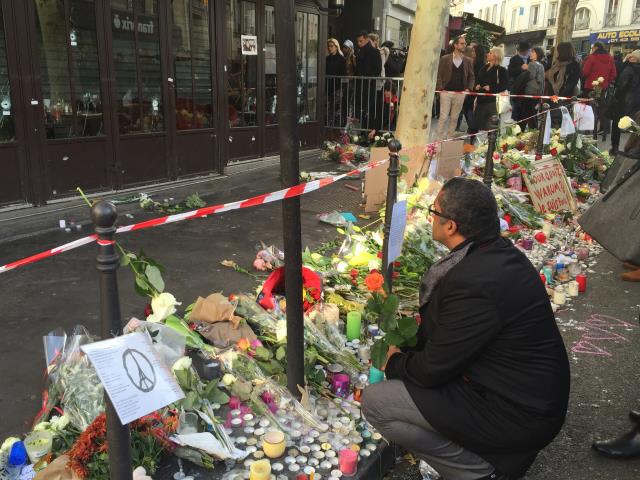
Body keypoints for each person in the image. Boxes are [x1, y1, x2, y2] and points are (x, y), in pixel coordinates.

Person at [362, 177, 570, 480]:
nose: (430, 218)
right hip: (523, 394)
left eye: (434, 212)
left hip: (520, 413)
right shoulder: (495, 253)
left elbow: (432, 369)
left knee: (377, 402)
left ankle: (478, 471)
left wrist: (394, 360)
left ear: (450, 226)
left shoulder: (475, 283)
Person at [436, 36, 475, 140]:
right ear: (455, 45)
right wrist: (440, 88)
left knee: (454, 118)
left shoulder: (468, 60)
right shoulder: (445, 58)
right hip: (446, 92)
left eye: (465, 44)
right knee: (443, 117)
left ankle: (449, 138)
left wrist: (468, 89)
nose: (464, 45)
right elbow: (439, 74)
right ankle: (438, 140)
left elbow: (472, 76)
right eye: (462, 43)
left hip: (460, 93)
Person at [610, 50, 640, 154]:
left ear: (633, 58)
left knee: (616, 124)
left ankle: (615, 147)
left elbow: (621, 86)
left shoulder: (628, 69)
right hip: (636, 102)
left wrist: (616, 96)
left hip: (624, 101)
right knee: (636, 127)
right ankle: (634, 148)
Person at [545, 42, 581, 126]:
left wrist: (561, 96)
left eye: (558, 50)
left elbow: (573, 82)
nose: (557, 52)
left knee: (563, 121)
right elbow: (550, 78)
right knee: (552, 121)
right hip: (552, 97)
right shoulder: (556, 63)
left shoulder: (574, 64)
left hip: (565, 98)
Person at [473, 47, 508, 131]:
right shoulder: (483, 68)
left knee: (491, 126)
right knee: (477, 125)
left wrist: (491, 88)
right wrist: (476, 86)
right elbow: (477, 81)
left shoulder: (501, 70)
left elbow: (504, 86)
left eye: (490, 53)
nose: (487, 54)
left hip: (493, 102)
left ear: (496, 56)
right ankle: (476, 142)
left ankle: (490, 143)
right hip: (480, 101)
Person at [354, 30, 382, 129]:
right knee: (359, 108)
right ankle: (359, 131)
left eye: (361, 41)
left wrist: (369, 76)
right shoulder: (359, 51)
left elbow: (378, 69)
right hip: (360, 85)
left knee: (368, 109)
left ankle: (367, 131)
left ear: (366, 40)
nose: (359, 43)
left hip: (369, 85)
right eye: (358, 41)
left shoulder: (375, 52)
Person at [521, 47, 546, 129]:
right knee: (533, 115)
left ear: (537, 54)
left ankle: (531, 133)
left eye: (533, 52)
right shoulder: (541, 65)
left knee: (527, 116)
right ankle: (535, 132)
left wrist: (526, 68)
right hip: (538, 93)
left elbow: (530, 76)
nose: (530, 53)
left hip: (529, 93)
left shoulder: (532, 64)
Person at [508, 42, 531, 121]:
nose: (527, 52)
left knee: (526, 110)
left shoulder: (530, 59)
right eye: (527, 50)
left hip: (528, 88)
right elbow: (510, 72)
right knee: (516, 109)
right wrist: (521, 68)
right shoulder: (514, 59)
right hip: (517, 88)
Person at [326, 38, 346, 127]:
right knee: (328, 106)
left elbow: (343, 73)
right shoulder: (327, 59)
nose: (330, 48)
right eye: (329, 46)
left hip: (337, 86)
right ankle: (329, 124)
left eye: (332, 46)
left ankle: (335, 126)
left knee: (336, 107)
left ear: (336, 47)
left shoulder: (341, 59)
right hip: (328, 86)